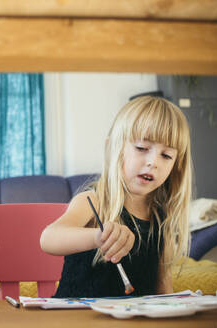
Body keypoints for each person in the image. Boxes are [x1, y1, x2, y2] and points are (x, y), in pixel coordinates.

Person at [40, 96, 192, 297]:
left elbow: (163, 287)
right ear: (114, 149)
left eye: (166, 155)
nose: (153, 162)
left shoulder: (161, 220)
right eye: (141, 148)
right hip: (76, 319)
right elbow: (48, 238)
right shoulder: (93, 201)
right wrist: (97, 237)